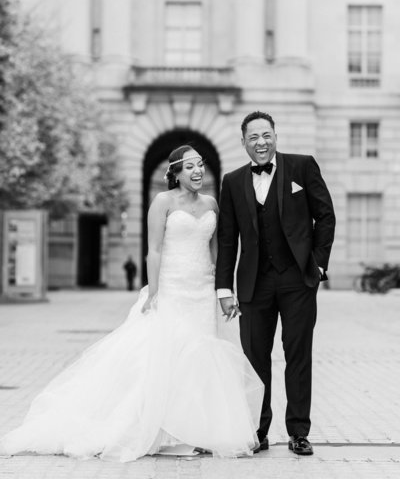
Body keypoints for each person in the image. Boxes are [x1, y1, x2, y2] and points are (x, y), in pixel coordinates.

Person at [0, 145, 263, 462]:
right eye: (190, 167)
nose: (198, 172)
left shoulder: (211, 204)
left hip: (202, 291)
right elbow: (153, 249)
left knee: (201, 358)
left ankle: (195, 430)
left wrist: (221, 288)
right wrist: (153, 291)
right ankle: (162, 430)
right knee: (169, 358)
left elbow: (215, 250)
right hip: (172, 288)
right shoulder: (162, 202)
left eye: (201, 165)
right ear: (176, 174)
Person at [216, 111, 336, 456]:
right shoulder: (233, 181)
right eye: (253, 137)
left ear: (275, 136)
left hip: (298, 280)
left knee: (298, 356)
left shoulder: (302, 166)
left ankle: (299, 432)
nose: (261, 143)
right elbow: (227, 239)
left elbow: (325, 215)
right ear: (243, 143)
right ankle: (257, 431)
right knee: (254, 360)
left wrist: (318, 264)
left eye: (266, 135)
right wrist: (224, 288)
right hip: (254, 283)